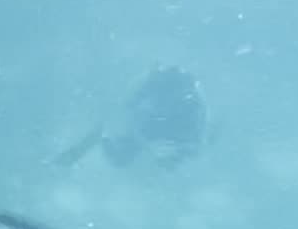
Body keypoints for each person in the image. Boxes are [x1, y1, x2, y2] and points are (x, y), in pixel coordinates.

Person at [55, 66, 208, 171]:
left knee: (170, 162)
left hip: (170, 129)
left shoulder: (192, 106)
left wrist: (174, 151)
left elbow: (197, 140)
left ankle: (164, 161)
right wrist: (146, 144)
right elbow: (124, 114)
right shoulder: (152, 87)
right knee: (120, 158)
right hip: (149, 125)